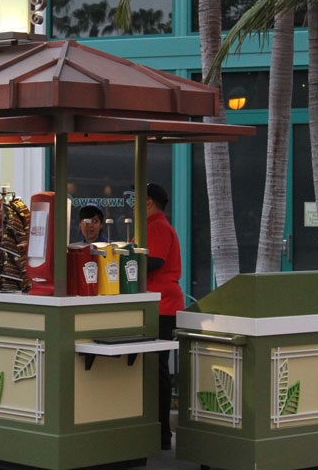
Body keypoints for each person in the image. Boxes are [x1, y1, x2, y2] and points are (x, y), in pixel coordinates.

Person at [144, 183, 183, 450]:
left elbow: (154, 260)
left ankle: (161, 435)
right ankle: (157, 432)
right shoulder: (153, 226)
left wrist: (122, 262)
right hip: (158, 304)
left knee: (158, 370)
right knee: (157, 369)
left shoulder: (157, 226)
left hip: (162, 306)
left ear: (149, 203)